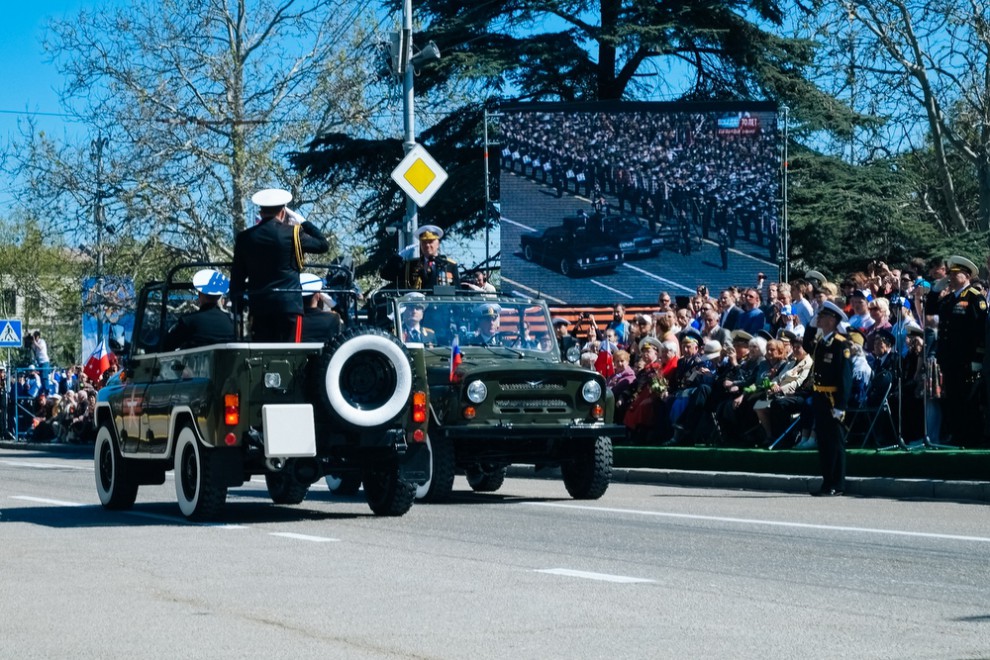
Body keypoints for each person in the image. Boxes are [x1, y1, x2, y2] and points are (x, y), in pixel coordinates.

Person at [230, 187, 330, 342]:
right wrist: (302, 221)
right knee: (291, 355)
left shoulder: (245, 238)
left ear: (261, 212)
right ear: (283, 212)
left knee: (262, 356)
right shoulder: (294, 233)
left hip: (259, 307)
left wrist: (240, 306)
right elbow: (323, 245)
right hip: (289, 307)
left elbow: (237, 278)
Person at [925, 255, 987, 446]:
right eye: (949, 274)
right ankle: (958, 435)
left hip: (967, 359)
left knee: (968, 399)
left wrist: (978, 356)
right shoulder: (950, 299)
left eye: (955, 274)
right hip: (949, 359)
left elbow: (981, 329)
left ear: (966, 275)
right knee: (953, 399)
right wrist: (935, 290)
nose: (950, 277)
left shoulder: (974, 297)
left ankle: (971, 438)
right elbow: (930, 309)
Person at [809, 301, 852, 496]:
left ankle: (838, 483)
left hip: (833, 398)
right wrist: (812, 323)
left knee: (835, 441)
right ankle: (827, 483)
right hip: (819, 396)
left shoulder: (840, 344)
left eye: (822, 315)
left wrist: (841, 405)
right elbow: (805, 341)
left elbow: (845, 377)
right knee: (824, 441)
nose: (818, 318)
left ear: (832, 319)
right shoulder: (821, 341)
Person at [164, 269, 236, 350]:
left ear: (200, 294)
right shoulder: (231, 321)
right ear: (219, 296)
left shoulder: (187, 321)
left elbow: (166, 346)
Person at [386, 224, 460, 289]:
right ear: (420, 244)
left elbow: (457, 290)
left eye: (431, 241)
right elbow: (387, 274)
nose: (427, 245)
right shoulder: (411, 265)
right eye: (424, 242)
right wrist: (400, 255)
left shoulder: (449, 265)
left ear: (438, 244)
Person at [299, 272, 343, 342]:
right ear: (318, 296)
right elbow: (347, 321)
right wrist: (332, 303)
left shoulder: (290, 319)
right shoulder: (332, 318)